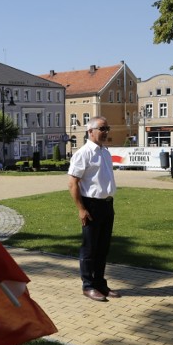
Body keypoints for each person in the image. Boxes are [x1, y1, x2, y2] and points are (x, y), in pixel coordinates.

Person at [68, 116, 119, 302]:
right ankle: (88, 285)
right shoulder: (83, 153)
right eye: (102, 129)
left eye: (107, 128)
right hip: (91, 205)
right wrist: (81, 209)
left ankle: (100, 283)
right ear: (90, 131)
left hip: (106, 204)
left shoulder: (105, 152)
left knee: (103, 247)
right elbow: (73, 183)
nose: (106, 132)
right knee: (90, 248)